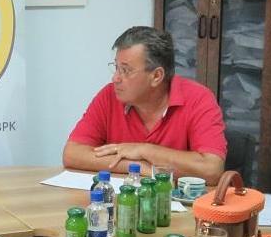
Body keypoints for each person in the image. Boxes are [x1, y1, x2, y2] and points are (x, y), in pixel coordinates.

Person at [62, 26, 226, 182]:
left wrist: (145, 150)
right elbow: (72, 154)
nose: (115, 78)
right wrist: (137, 166)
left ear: (156, 76)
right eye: (116, 68)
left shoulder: (198, 99)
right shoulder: (109, 95)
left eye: (125, 70)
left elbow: (211, 168)